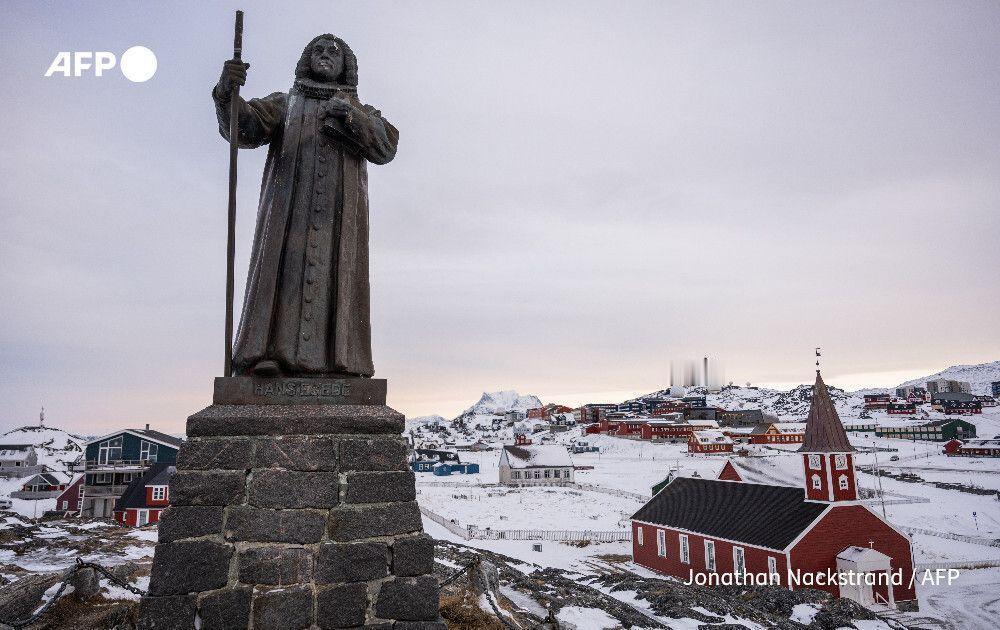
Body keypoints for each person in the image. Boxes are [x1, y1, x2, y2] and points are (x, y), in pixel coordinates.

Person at [213, 34, 398, 377]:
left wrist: (351, 116)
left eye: (333, 52)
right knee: (283, 273)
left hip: (338, 220)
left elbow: (386, 146)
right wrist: (227, 93)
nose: (325, 55)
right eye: (318, 50)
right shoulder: (285, 104)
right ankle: (267, 355)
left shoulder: (361, 110)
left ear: (346, 66)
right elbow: (246, 126)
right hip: (288, 215)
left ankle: (340, 362)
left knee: (336, 278)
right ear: (305, 59)